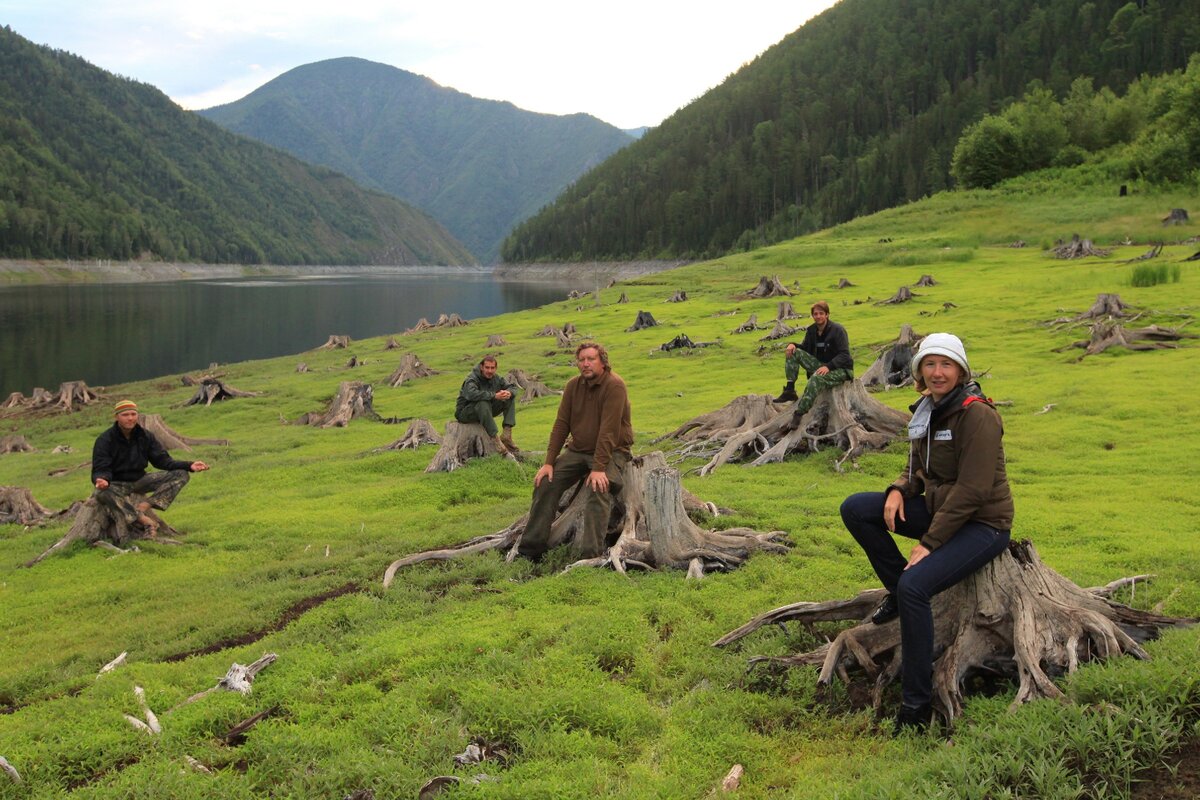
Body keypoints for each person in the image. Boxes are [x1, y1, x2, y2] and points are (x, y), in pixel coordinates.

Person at [839, 333, 1013, 733]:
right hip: (940, 508)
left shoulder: (977, 415)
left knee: (916, 585)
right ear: (919, 372)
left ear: (960, 370)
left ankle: (915, 707)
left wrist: (929, 543)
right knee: (857, 509)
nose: (937, 373)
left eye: (946, 365)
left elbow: (973, 491)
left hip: (983, 523)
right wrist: (900, 490)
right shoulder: (926, 411)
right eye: (929, 365)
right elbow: (917, 466)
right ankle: (898, 594)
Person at [517, 342, 634, 561]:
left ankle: (591, 555)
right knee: (546, 483)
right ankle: (530, 550)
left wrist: (599, 468)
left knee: (600, 487)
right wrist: (548, 462)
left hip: (612, 451)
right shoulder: (573, 386)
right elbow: (561, 425)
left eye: (591, 359)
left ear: (602, 361)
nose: (586, 364)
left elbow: (608, 431)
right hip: (579, 450)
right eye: (582, 360)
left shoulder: (614, 386)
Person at [91, 400, 210, 536]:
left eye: (133, 414)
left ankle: (146, 505)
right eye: (125, 415)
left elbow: (163, 461)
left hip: (141, 479)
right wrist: (102, 479)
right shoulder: (105, 440)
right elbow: (101, 466)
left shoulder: (145, 436)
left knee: (181, 474)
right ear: (116, 417)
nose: (130, 418)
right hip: (117, 483)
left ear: (137, 415)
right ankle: (143, 520)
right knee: (101, 493)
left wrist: (189, 465)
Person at [773, 301, 853, 415]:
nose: (818, 316)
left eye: (821, 313)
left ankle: (800, 413)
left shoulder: (838, 330)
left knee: (816, 378)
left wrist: (828, 367)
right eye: (815, 314)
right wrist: (793, 345)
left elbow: (845, 354)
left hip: (840, 369)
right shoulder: (811, 330)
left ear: (827, 314)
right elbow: (805, 349)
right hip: (821, 365)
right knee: (794, 352)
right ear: (812, 316)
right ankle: (790, 390)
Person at [455, 355, 518, 452]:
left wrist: (509, 392)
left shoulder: (496, 378)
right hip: (466, 413)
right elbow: (471, 394)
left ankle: (507, 434)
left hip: (485, 410)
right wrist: (494, 396)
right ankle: (495, 440)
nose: (490, 371)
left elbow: (512, 387)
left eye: (492, 368)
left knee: (508, 397)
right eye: (487, 367)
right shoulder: (472, 379)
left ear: (496, 368)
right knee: (483, 402)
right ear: (481, 367)